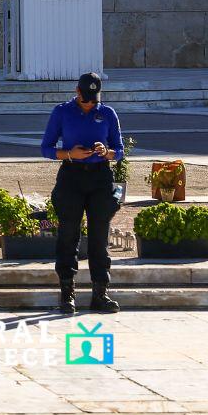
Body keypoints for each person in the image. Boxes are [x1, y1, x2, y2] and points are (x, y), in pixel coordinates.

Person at [39, 72, 123, 315]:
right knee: (68, 234)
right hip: (72, 176)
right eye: (85, 98)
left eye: (93, 99)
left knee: (99, 236)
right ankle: (67, 293)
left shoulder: (107, 113)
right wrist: (69, 154)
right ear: (77, 92)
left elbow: (119, 150)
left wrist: (106, 152)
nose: (89, 103)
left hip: (100, 177)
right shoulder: (62, 112)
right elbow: (45, 148)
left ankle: (100, 293)